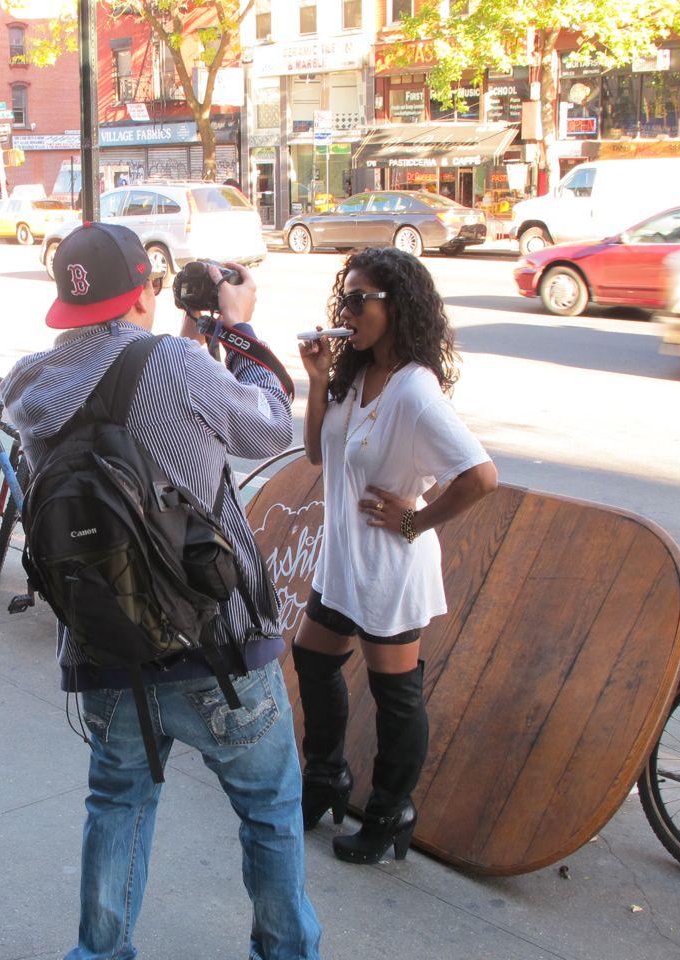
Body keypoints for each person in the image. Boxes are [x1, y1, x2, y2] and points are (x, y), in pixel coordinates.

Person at [0, 223, 321, 959]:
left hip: (105, 647)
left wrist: (184, 345)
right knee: (269, 809)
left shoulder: (30, 384)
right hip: (217, 647)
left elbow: (122, 392)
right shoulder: (178, 364)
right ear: (144, 292)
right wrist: (237, 329)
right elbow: (269, 427)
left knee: (117, 804)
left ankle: (99, 952)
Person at [295, 246, 498, 865]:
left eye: (360, 300)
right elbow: (317, 455)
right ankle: (326, 777)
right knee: (312, 659)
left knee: (396, 695)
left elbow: (480, 476)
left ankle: (391, 810)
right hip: (343, 561)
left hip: (387, 568)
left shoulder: (414, 391)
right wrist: (319, 381)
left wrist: (414, 519)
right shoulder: (355, 374)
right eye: (345, 299)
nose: (347, 312)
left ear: (397, 307)